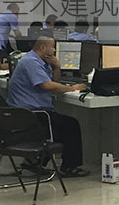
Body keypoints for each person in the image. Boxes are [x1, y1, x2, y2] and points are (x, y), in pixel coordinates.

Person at [6, 34, 89, 177]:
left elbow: (53, 82)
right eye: (53, 47)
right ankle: (69, 167)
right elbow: (47, 85)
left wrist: (57, 67)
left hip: (26, 113)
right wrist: (72, 88)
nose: (55, 50)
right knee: (71, 125)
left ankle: (34, 161)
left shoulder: (39, 62)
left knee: (62, 125)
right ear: (43, 47)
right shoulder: (31, 62)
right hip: (31, 114)